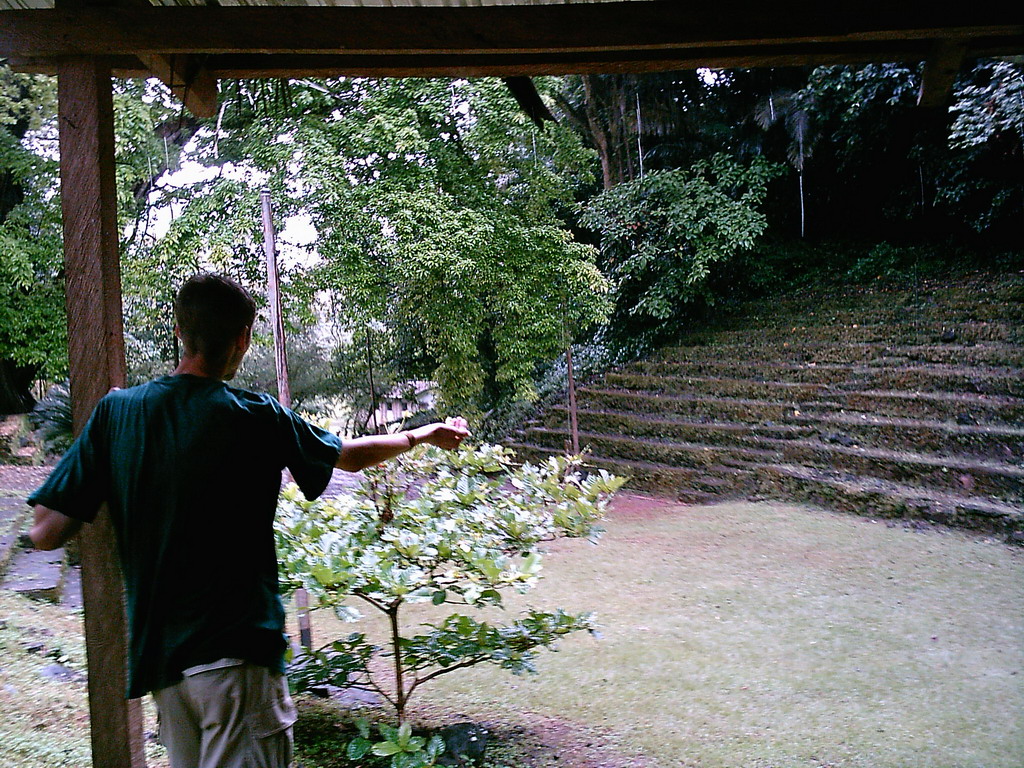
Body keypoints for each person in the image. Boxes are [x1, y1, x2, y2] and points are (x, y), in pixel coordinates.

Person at [28, 273, 470, 768]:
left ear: (178, 330)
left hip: (165, 670)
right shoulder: (257, 415)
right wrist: (422, 435)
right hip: (239, 663)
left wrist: (107, 457)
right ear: (243, 338)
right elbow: (347, 455)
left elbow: (45, 532)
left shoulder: (118, 412)